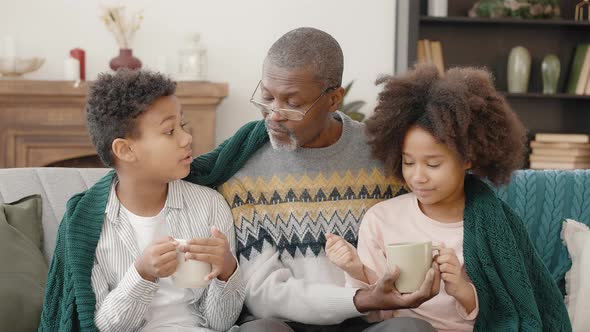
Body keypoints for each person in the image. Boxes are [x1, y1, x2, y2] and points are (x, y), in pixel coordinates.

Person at [186, 27, 439, 332]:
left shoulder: (383, 155)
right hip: (287, 324)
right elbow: (264, 294)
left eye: (292, 103)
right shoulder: (243, 170)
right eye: (267, 97)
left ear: (333, 99)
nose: (275, 115)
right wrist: (360, 298)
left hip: (365, 323)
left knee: (412, 330)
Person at [326, 64, 572, 331]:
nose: (418, 177)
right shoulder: (382, 219)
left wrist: (463, 290)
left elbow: (513, 310)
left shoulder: (494, 223)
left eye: (432, 165)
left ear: (467, 158)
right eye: (408, 162)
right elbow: (375, 318)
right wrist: (355, 270)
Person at [39, 69, 244, 331]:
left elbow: (221, 322)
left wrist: (226, 270)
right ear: (125, 150)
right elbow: (104, 326)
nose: (187, 138)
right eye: (170, 131)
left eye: (183, 125)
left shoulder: (210, 205)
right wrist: (142, 273)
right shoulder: (88, 227)